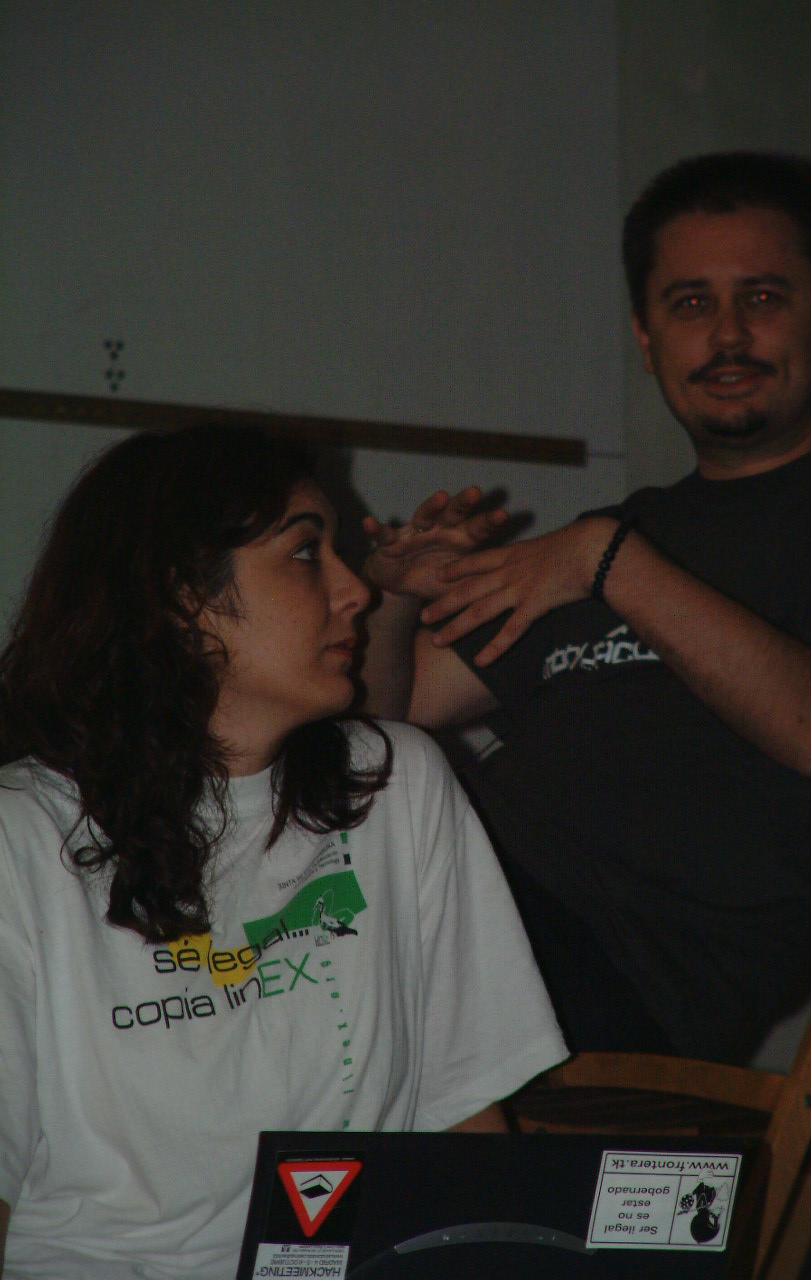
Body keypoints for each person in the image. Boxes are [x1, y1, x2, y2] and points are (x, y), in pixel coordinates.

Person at [359, 151, 811, 1064]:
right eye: (689, 305)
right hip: (463, 892)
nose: (727, 335)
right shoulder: (620, 536)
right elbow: (390, 712)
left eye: (763, 298)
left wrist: (603, 561)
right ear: (647, 340)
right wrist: (395, 597)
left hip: (626, 972)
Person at [0, 424, 566, 1280]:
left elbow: (466, 1123)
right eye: (305, 553)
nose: (357, 591)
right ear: (178, 596)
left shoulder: (398, 784)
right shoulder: (23, 832)